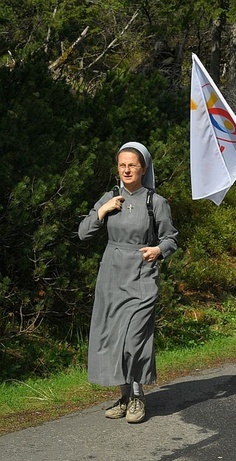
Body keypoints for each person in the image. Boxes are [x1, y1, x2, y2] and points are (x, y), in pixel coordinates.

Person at [78, 142, 178, 423]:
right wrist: (103, 211)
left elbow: (171, 238)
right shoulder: (109, 197)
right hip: (111, 274)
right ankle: (124, 397)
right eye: (122, 165)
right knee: (113, 338)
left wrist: (158, 250)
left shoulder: (155, 202)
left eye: (132, 165)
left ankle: (137, 397)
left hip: (142, 275)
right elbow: (83, 233)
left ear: (143, 168)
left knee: (135, 338)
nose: (126, 170)